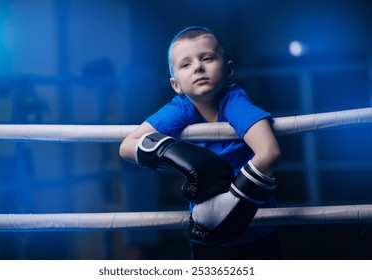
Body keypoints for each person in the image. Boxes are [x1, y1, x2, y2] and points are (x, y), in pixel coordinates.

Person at [119, 26, 282, 259]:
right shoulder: (182, 108)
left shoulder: (234, 103)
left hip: (256, 231)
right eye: (186, 64)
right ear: (176, 85)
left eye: (207, 58)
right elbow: (127, 146)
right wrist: (172, 152)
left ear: (229, 69)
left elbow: (269, 152)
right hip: (206, 233)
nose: (198, 67)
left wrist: (229, 204)